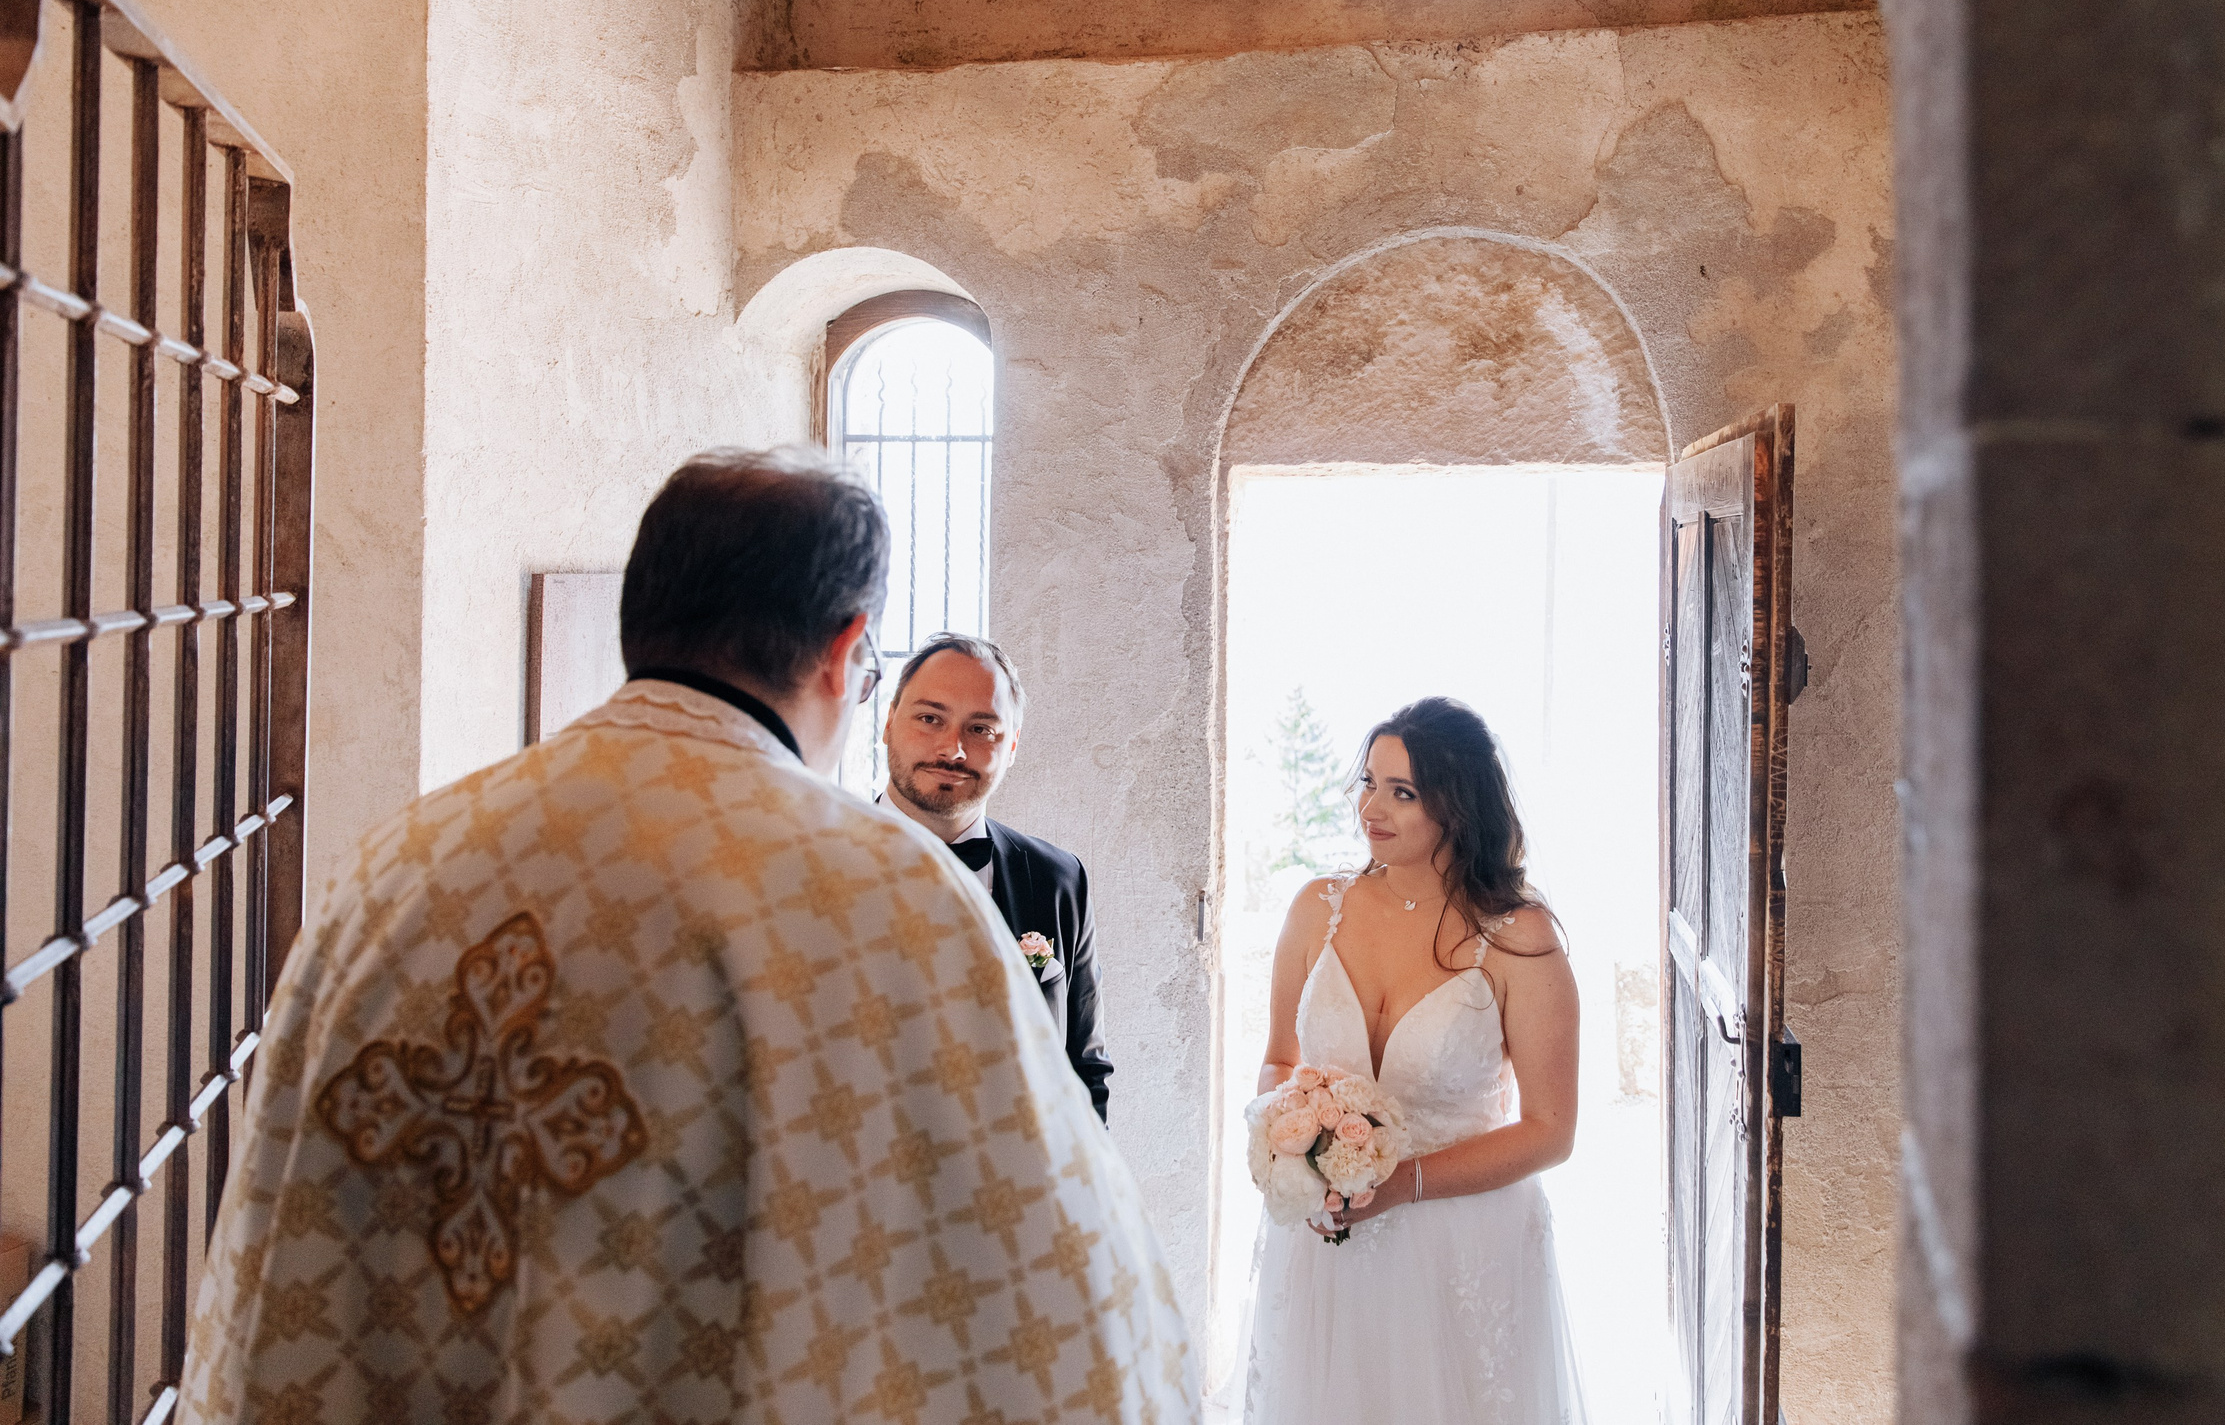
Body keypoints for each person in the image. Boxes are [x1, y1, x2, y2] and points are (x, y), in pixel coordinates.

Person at [178, 448, 1194, 1425]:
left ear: (640, 618)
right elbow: (1056, 1309)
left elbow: (278, 1241)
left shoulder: (402, 860)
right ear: (848, 655)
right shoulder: (885, 894)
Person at [1230, 697, 1587, 1425]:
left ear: (1457, 805)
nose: (1371, 807)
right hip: (1325, 1240)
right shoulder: (1315, 907)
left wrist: (1403, 1183)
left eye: (1402, 792)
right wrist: (1291, 1149)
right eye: (1369, 782)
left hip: (1463, 1249)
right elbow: (1277, 1060)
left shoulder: (1521, 937)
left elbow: (1552, 1128)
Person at [876, 634, 1114, 1120]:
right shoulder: (809, 867)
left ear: (1012, 747)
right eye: (929, 718)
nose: (953, 749)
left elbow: (1084, 1070)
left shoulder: (1058, 879)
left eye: (981, 729)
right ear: (888, 722)